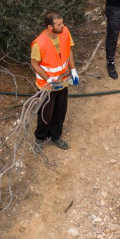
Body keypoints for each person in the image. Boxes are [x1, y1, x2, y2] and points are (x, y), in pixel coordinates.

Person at [30, 12, 78, 152]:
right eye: (59, 24)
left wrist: (73, 70)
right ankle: (40, 138)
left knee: (60, 112)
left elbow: (69, 49)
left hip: (63, 83)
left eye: (62, 23)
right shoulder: (39, 43)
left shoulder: (64, 32)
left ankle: (55, 136)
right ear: (50, 27)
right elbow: (34, 64)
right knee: (46, 114)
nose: (63, 26)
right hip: (47, 87)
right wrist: (49, 79)